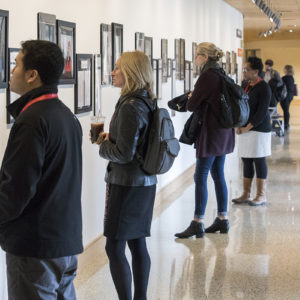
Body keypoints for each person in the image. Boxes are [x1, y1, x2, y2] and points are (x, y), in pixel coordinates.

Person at [0, 40, 83, 299]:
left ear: (32, 75)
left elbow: (17, 189)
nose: (11, 71)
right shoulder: (66, 116)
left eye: (16, 65)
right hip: (64, 243)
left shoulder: (32, 121)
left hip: (36, 249)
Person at [97, 51, 157, 300]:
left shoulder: (131, 105)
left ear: (131, 72)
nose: (112, 72)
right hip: (144, 182)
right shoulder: (147, 100)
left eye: (118, 68)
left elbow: (123, 153)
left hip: (127, 184)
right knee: (137, 242)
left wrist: (103, 145)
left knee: (114, 246)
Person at [175, 42, 235, 239]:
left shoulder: (207, 76)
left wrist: (193, 96)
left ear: (205, 57)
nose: (195, 59)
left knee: (200, 175)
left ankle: (197, 222)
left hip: (211, 132)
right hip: (224, 131)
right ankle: (222, 218)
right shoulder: (221, 73)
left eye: (197, 55)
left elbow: (191, 105)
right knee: (218, 174)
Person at [232, 57, 272, 206]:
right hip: (244, 129)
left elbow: (261, 113)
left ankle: (261, 195)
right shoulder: (245, 84)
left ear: (256, 72)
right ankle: (246, 193)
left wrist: (247, 127)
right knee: (246, 160)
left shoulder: (264, 88)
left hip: (259, 130)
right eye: (244, 69)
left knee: (259, 160)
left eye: (247, 70)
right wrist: (238, 125)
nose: (244, 72)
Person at [280, 65, 295, 132]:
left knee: (286, 110)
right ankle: (286, 124)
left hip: (285, 96)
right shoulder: (292, 78)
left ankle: (286, 124)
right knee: (286, 110)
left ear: (286, 70)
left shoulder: (284, 78)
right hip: (290, 96)